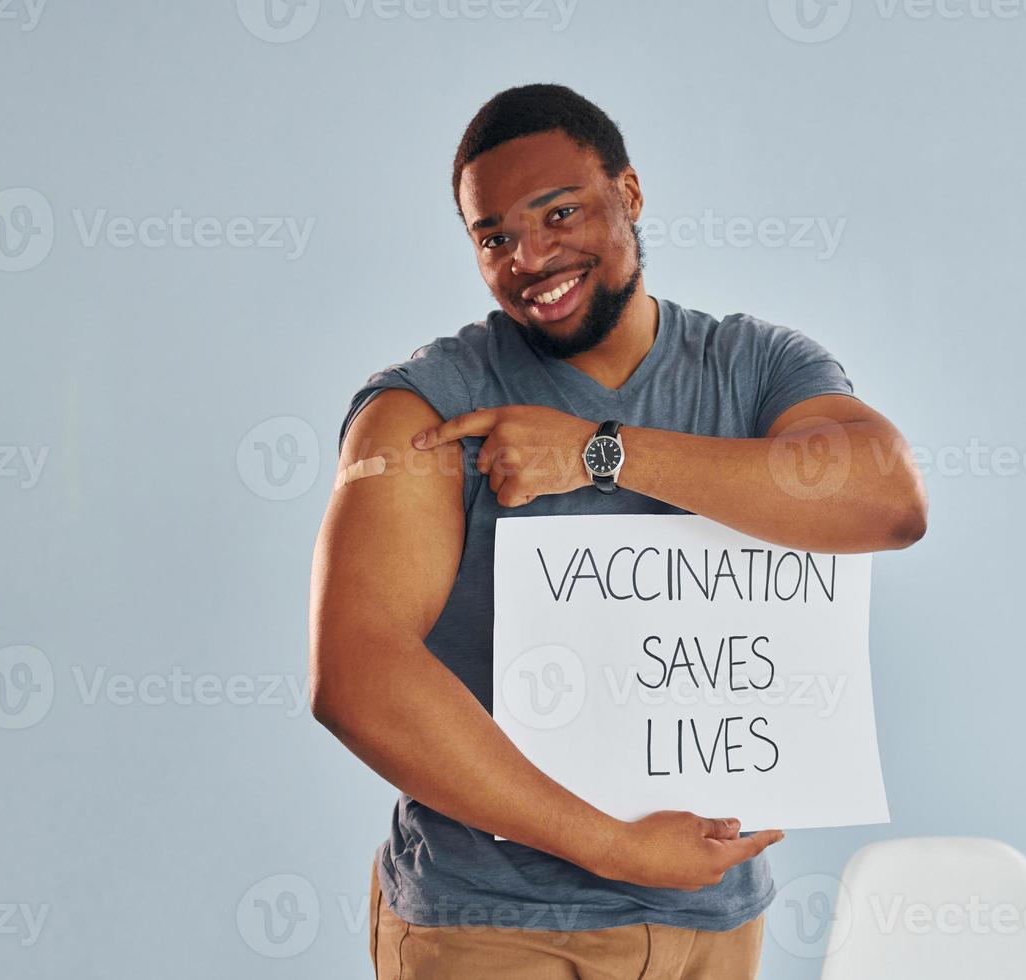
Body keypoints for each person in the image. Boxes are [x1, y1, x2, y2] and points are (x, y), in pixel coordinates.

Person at [309, 82, 927, 979]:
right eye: (495, 238)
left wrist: (602, 454)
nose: (531, 256)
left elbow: (888, 500)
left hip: (710, 922)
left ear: (628, 196)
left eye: (559, 213)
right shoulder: (426, 404)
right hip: (495, 924)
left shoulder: (756, 367)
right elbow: (356, 676)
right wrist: (615, 847)